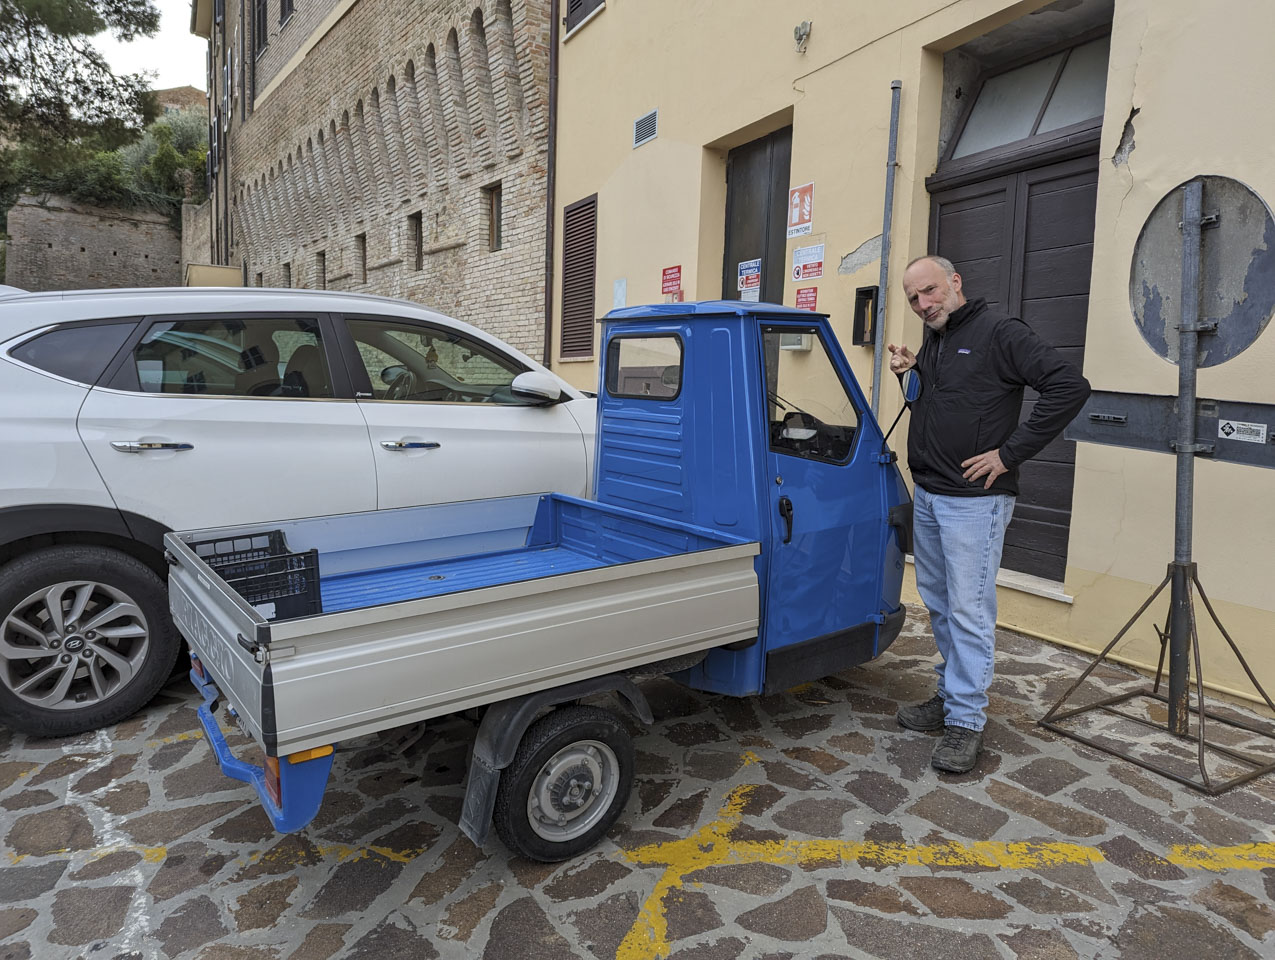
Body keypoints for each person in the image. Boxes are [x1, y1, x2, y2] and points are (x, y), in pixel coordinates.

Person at [888, 255, 1090, 773]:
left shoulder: (1001, 332)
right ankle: (950, 695)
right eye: (913, 298)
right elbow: (940, 407)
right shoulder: (935, 339)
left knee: (969, 612)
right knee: (938, 604)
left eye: (929, 291)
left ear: (955, 282)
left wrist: (1008, 454)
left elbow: (1069, 386)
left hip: (974, 503)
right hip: (931, 494)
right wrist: (911, 375)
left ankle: (966, 722)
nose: (923, 304)